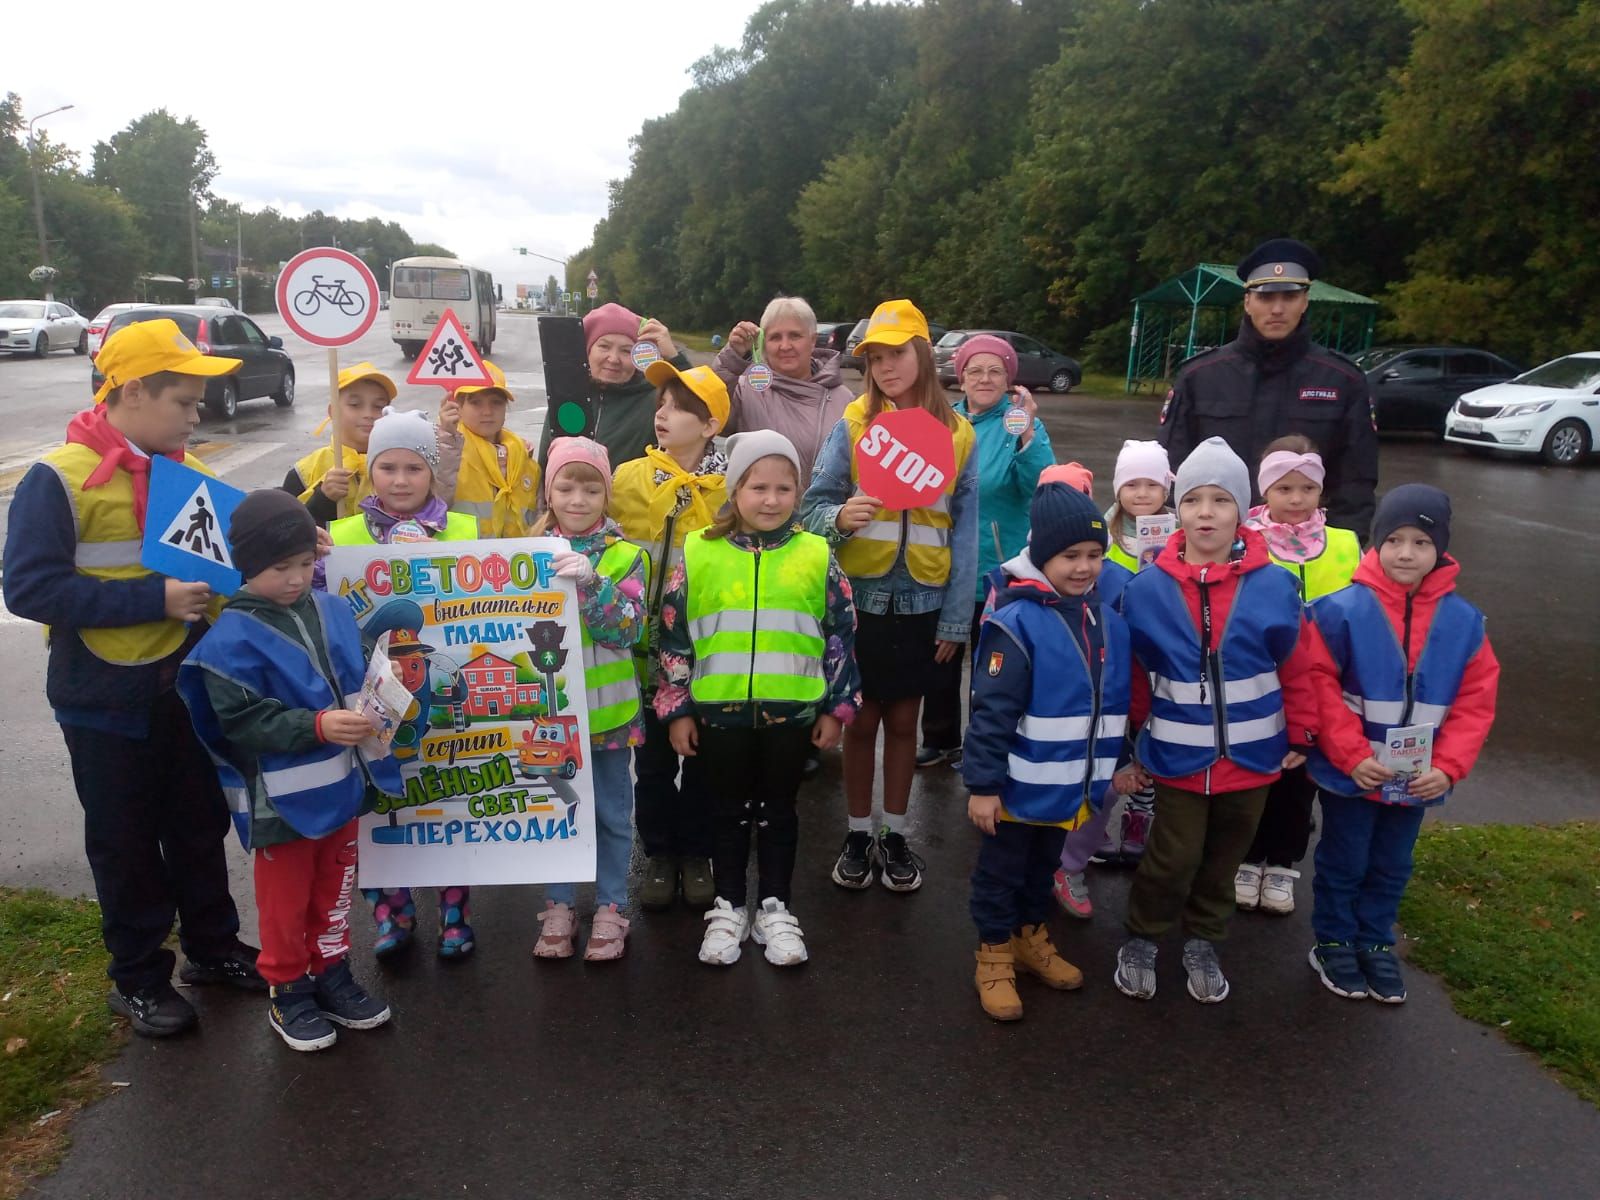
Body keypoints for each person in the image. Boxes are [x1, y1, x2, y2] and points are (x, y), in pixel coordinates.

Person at [3, 318, 264, 1037]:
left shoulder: (189, 476)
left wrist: (294, 536)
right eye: (182, 401)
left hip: (185, 688)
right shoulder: (57, 480)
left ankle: (212, 949)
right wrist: (152, 599)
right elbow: (28, 589)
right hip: (103, 698)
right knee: (123, 842)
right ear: (137, 391)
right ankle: (140, 977)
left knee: (197, 825)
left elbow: (235, 565)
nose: (195, 415)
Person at [177, 490, 399, 1051]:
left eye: (306, 563)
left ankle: (331, 972)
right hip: (282, 804)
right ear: (247, 565)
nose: (298, 578)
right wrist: (317, 727)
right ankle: (287, 989)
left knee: (336, 888)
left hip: (344, 785)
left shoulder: (331, 608)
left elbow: (358, 670)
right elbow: (242, 724)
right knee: (284, 901)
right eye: (281, 568)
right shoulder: (229, 639)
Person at [1112, 437, 1320, 1004]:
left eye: (1221, 500)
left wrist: (1302, 730)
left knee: (1224, 859)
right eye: (1194, 500)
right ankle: (1144, 936)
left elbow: (1300, 665)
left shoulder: (1277, 585)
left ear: (1242, 510)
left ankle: (1204, 938)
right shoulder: (1146, 589)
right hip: (1178, 756)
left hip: (1255, 758)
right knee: (1171, 858)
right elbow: (1134, 677)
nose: (1206, 513)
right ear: (1176, 510)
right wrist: (1131, 743)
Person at [655, 431, 861, 966]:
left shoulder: (817, 554)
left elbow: (840, 635)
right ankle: (727, 907)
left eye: (785, 488)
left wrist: (838, 708)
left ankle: (775, 907)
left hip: (791, 716)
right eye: (758, 487)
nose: (771, 500)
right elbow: (674, 637)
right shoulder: (699, 553)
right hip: (719, 714)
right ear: (734, 489)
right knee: (724, 813)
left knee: (779, 812)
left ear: (799, 492)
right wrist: (677, 708)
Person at [800, 298, 978, 893]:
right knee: (861, 719)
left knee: (905, 719)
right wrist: (840, 517)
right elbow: (812, 505)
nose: (886, 367)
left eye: (897, 353)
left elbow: (966, 533)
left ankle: (895, 834)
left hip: (925, 604)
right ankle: (857, 832)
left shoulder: (959, 437)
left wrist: (957, 621)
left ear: (923, 354)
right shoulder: (853, 424)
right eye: (875, 358)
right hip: (861, 600)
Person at [1304, 485, 1499, 1004]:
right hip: (1355, 773)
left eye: (1420, 541)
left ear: (1441, 549)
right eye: (1394, 540)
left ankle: (1375, 942)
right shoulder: (1340, 611)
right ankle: (1334, 941)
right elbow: (1318, 686)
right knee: (1344, 859)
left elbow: (1475, 702)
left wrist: (1450, 767)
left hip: (1419, 777)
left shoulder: (1464, 623)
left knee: (1392, 863)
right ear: (1376, 544)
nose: (1406, 553)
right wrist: (1353, 757)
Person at [963, 481, 1140, 1020]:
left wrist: (1125, 759)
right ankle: (993, 953)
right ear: (1041, 555)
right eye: (1070, 556)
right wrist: (984, 787)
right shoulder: (1014, 623)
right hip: (1018, 790)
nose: (1084, 568)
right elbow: (991, 713)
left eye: (1094, 555)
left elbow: (1113, 699)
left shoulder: (1107, 621)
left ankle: (1028, 938)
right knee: (1001, 875)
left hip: (1072, 787)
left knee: (1042, 872)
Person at [321, 407, 479, 957]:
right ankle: (393, 915)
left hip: (434, 692)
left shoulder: (463, 530)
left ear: (432, 472)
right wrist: (319, 561)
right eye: (387, 467)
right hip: (367, 703)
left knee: (445, 809)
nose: (400, 480)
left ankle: (455, 914)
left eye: (414, 468)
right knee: (379, 808)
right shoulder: (342, 534)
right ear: (371, 470)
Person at [609, 361, 730, 911]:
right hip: (642, 654)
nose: (662, 414)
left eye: (678, 406)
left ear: (709, 426)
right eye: (660, 404)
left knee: (704, 758)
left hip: (708, 653)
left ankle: (698, 850)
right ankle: (658, 851)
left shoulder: (732, 487)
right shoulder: (628, 479)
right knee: (654, 762)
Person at [1156, 238, 1379, 534]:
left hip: (1310, 549)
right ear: (1248, 302)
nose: (1277, 308)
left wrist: (1343, 548)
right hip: (1219, 544)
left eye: (1288, 297)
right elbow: (1174, 471)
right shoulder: (1199, 376)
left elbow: (1356, 481)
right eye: (1265, 297)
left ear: (1305, 300)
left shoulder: (1343, 380)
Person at [528, 438, 649, 962]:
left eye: (590, 487)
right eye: (565, 486)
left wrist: (593, 582)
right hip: (548, 717)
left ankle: (611, 906)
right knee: (556, 811)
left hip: (608, 717)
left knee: (612, 815)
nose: (578, 499)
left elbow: (626, 630)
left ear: (607, 494)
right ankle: (559, 905)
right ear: (549, 492)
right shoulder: (524, 556)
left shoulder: (628, 556)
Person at [1234, 435, 1362, 916]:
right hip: (1262, 683)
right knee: (1257, 776)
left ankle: (1283, 864)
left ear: (1320, 492)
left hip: (1322, 687)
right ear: (1265, 491)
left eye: (1306, 488)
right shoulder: (1245, 540)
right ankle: (1247, 859)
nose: (1295, 499)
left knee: (1300, 782)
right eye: (1284, 488)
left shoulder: (1346, 544)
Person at [917, 334, 1054, 770]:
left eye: (995, 370)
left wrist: (1029, 428)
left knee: (991, 667)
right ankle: (940, 739)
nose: (985, 378)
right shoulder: (943, 422)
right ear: (960, 379)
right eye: (975, 370)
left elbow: (1039, 486)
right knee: (940, 659)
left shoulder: (1018, 423)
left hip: (999, 570)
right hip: (945, 564)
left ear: (1009, 379)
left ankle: (985, 745)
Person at [712, 295, 854, 490]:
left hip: (826, 518)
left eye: (795, 336)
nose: (785, 346)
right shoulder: (746, 389)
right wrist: (731, 359)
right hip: (761, 515)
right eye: (775, 337)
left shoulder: (844, 398)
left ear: (812, 341)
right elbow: (710, 414)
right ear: (763, 343)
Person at [537, 301, 691, 470]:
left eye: (626, 350)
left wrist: (675, 360)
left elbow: (700, 415)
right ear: (587, 350)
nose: (613, 359)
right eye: (604, 346)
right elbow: (545, 463)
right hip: (571, 496)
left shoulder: (654, 400)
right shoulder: (568, 394)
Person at [282, 363, 403, 525]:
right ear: (332, 411)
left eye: (378, 406)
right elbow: (287, 531)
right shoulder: (305, 472)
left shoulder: (403, 467)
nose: (368, 414)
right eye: (355, 405)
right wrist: (323, 500)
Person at [439, 360, 541, 537]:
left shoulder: (525, 461)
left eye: (496, 402)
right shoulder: (446, 454)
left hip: (516, 562)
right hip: (463, 562)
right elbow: (431, 505)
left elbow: (539, 521)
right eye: (476, 402)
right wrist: (447, 438)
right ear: (458, 407)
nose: (487, 411)